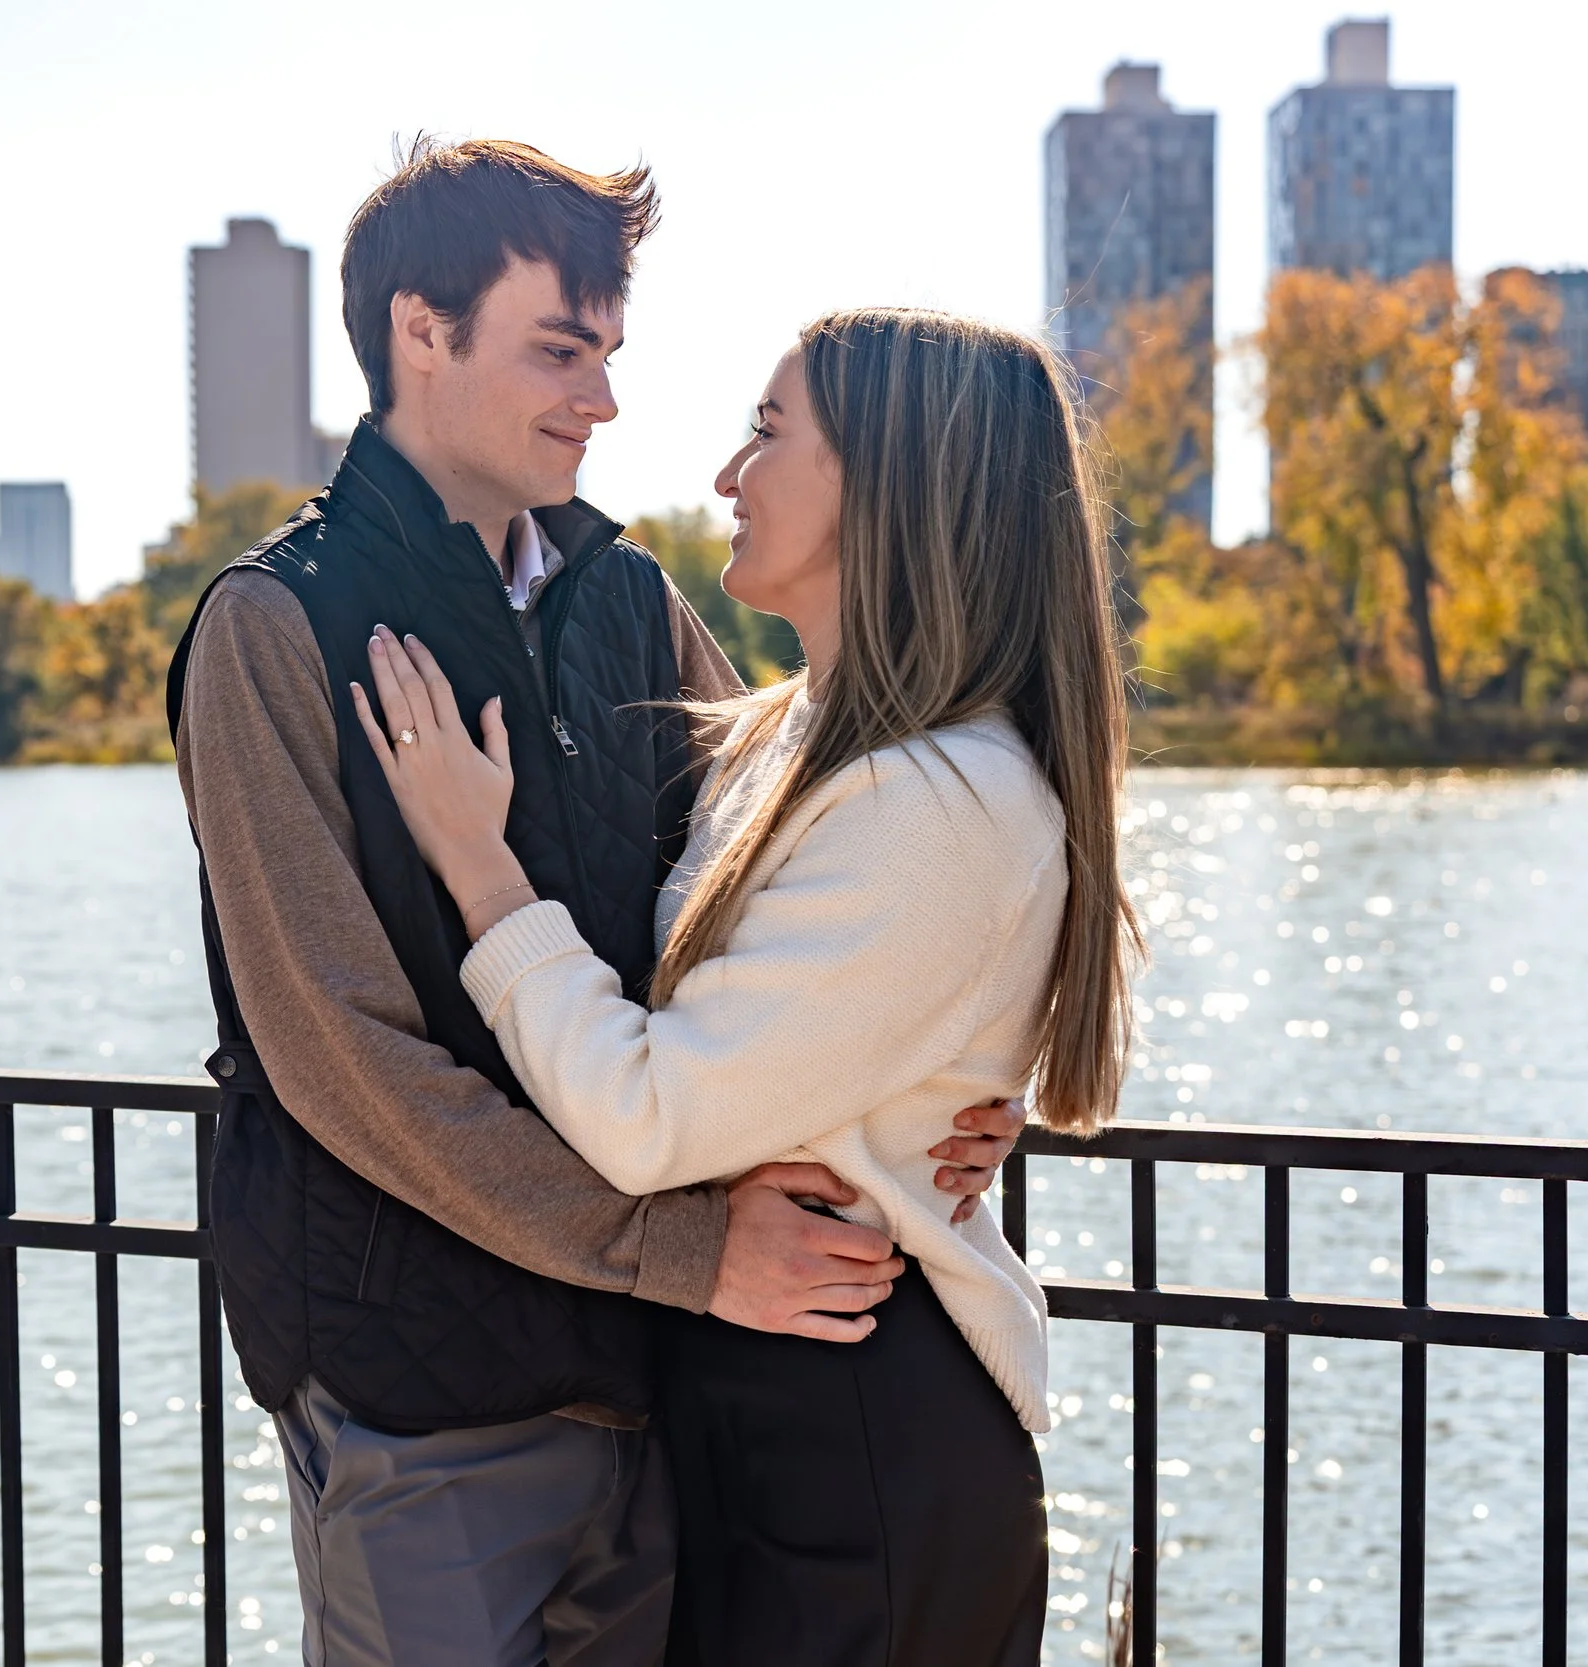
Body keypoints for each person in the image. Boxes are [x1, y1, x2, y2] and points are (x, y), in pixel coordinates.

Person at [166, 141, 1028, 1666]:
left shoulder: (628, 600)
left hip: (665, 1386)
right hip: (430, 1407)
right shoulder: (273, 628)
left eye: (610, 354)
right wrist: (676, 1247)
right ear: (420, 333)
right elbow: (341, 1059)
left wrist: (947, 1078)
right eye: (561, 351)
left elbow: (809, 895)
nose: (604, 400)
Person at [351, 308, 1140, 1665]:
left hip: (859, 1437)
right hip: (761, 1394)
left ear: (890, 486)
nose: (728, 474)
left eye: (771, 434)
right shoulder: (790, 738)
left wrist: (478, 868)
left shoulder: (942, 798)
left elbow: (654, 1111)